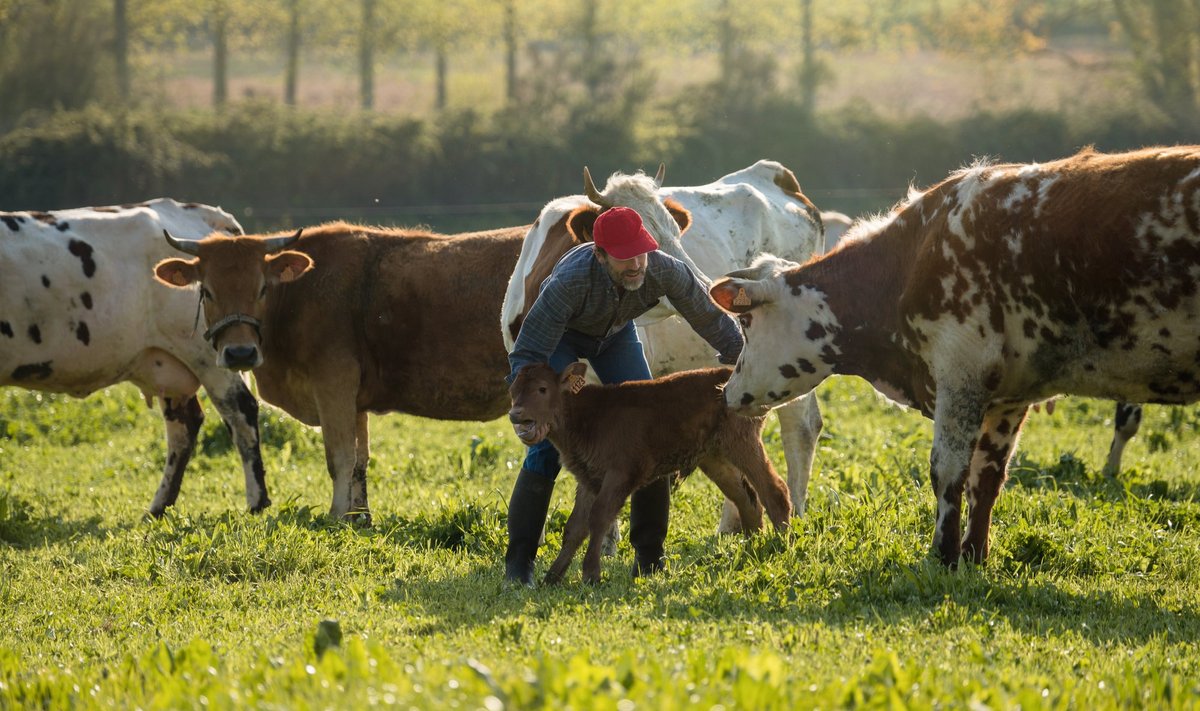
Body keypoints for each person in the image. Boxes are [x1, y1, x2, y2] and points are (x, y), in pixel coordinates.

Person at [505, 206, 744, 585]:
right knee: (545, 446)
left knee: (648, 434)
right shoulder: (568, 281)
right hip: (561, 340)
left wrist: (746, 364)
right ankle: (519, 566)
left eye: (641, 252)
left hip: (615, 337)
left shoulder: (664, 269)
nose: (635, 264)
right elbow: (528, 353)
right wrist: (526, 413)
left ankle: (649, 558)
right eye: (623, 256)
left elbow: (712, 320)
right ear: (599, 254)